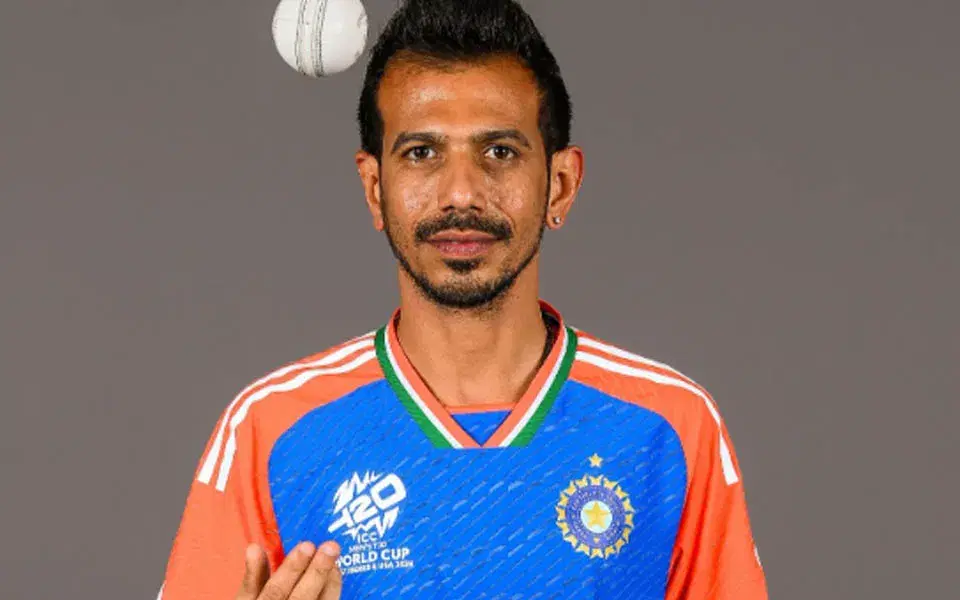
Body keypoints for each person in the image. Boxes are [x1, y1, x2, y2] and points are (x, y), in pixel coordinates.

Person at [156, 0, 769, 598]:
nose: (460, 193)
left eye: (500, 152)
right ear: (374, 189)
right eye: (421, 153)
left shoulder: (670, 428)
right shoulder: (270, 431)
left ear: (560, 185)